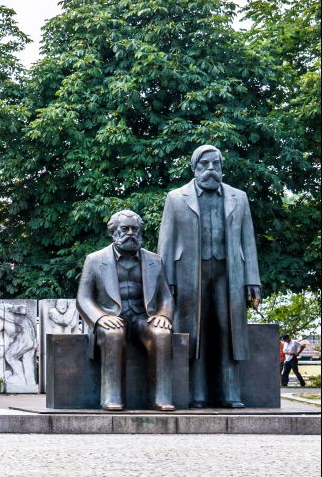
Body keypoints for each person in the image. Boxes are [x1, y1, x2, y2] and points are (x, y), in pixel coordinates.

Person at [158, 145, 262, 408]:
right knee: (194, 332)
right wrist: (165, 282)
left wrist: (253, 279)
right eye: (204, 164)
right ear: (194, 168)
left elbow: (248, 241)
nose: (211, 169)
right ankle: (198, 394)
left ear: (222, 167)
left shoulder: (239, 197)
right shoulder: (176, 198)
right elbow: (166, 243)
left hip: (230, 273)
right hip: (188, 274)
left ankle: (231, 393)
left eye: (216, 164)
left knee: (229, 331)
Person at [77, 210, 175, 411]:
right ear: (113, 233)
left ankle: (161, 398)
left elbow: (166, 296)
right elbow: (84, 298)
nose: (130, 233)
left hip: (143, 317)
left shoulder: (155, 260)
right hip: (112, 317)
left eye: (135, 229)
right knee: (113, 333)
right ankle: (111, 397)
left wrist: (164, 315)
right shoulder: (95, 260)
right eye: (125, 229)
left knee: (162, 333)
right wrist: (101, 317)